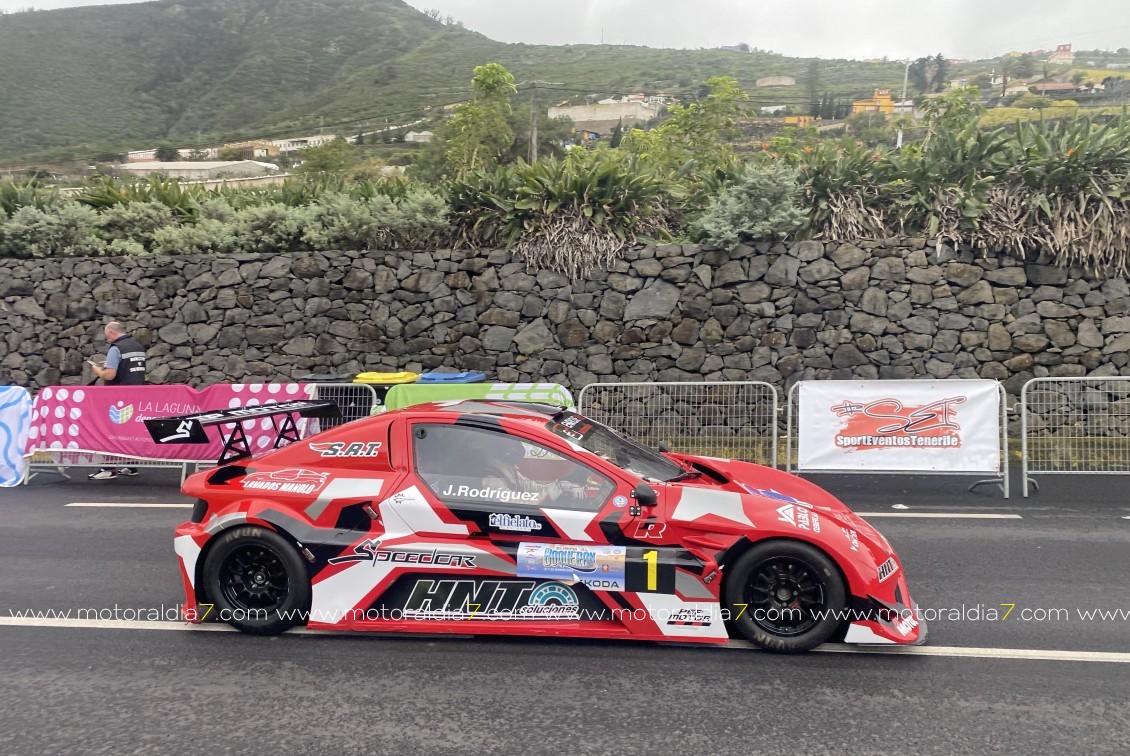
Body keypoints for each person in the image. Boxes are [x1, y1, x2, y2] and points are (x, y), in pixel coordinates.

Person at [88, 321, 147, 481]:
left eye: (107, 334)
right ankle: (131, 464)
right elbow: (130, 368)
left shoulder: (116, 348)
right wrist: (110, 364)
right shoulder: (137, 347)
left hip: (118, 397)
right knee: (130, 432)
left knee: (111, 432)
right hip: (137, 394)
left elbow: (110, 375)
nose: (106, 338)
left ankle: (108, 468)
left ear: (112, 333)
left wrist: (99, 371)